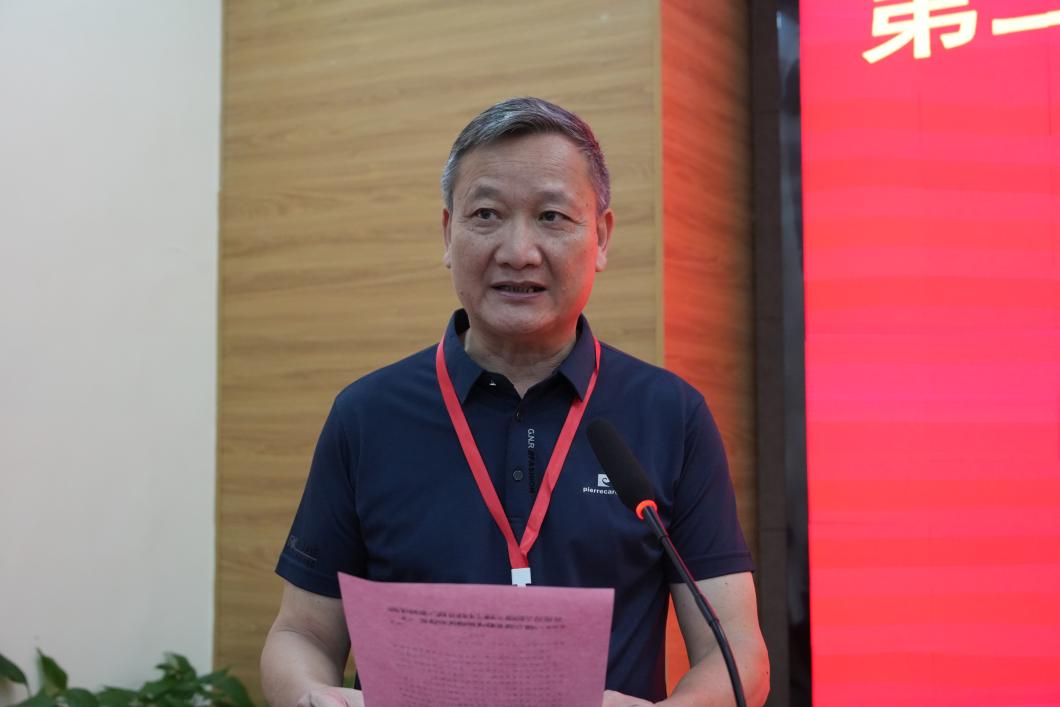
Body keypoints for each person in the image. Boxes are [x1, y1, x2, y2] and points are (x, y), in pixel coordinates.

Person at [260, 97, 769, 707]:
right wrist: (310, 696)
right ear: (448, 234)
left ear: (601, 237)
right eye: (487, 215)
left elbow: (735, 649)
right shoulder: (366, 416)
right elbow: (301, 633)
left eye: (552, 216)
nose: (518, 251)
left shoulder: (671, 415)